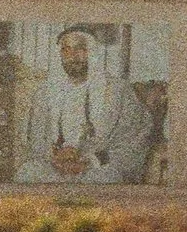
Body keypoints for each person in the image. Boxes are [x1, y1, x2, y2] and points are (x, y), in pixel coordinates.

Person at [20, 25, 158, 183]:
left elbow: (135, 139)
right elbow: (35, 141)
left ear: (93, 52)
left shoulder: (118, 92)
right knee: (28, 172)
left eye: (80, 49)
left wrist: (91, 160)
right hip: (55, 166)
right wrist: (55, 156)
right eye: (66, 50)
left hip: (98, 167)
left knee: (105, 179)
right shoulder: (44, 93)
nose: (72, 56)